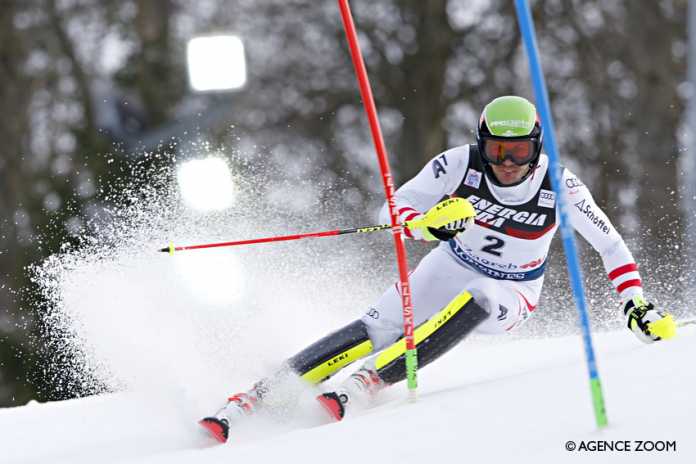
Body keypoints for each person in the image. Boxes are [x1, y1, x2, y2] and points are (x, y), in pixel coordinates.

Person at [199, 95, 677, 443]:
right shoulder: (459, 165)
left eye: (518, 152)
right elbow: (392, 208)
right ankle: (259, 395)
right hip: (451, 263)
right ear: (481, 144)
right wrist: (422, 225)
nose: (507, 163)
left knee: (480, 298)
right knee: (377, 326)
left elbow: (610, 245)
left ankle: (370, 380)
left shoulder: (561, 187)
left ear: (536, 148)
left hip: (513, 290)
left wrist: (634, 304)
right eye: (496, 150)